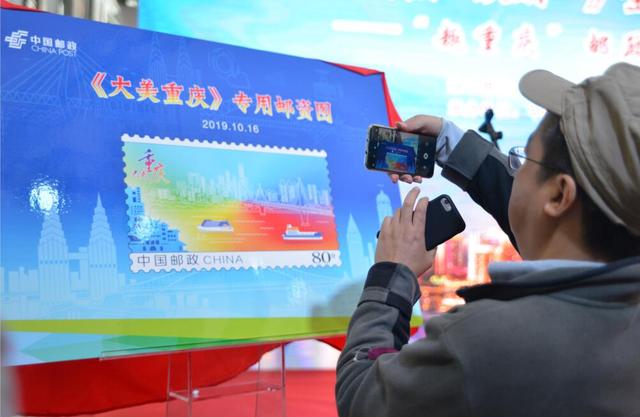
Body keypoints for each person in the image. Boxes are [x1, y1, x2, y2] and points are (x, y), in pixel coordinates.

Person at [336, 62, 640, 417]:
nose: (516, 171)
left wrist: (391, 275)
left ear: (559, 196)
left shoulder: (481, 342)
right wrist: (450, 144)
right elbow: (546, 219)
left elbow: (362, 396)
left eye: (524, 159)